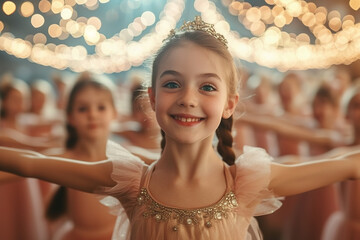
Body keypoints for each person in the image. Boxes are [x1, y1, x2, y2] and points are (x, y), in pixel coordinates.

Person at [0, 16, 360, 240]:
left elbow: (348, 164)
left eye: (206, 87)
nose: (188, 98)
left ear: (230, 103)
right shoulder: (130, 181)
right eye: (173, 84)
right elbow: (30, 162)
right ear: (153, 98)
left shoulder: (245, 182)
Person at [45, 76, 118, 240]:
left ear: (114, 112)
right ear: (70, 117)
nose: (92, 114)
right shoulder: (65, 159)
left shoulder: (126, 158)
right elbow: (26, 164)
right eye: (83, 109)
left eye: (101, 107)